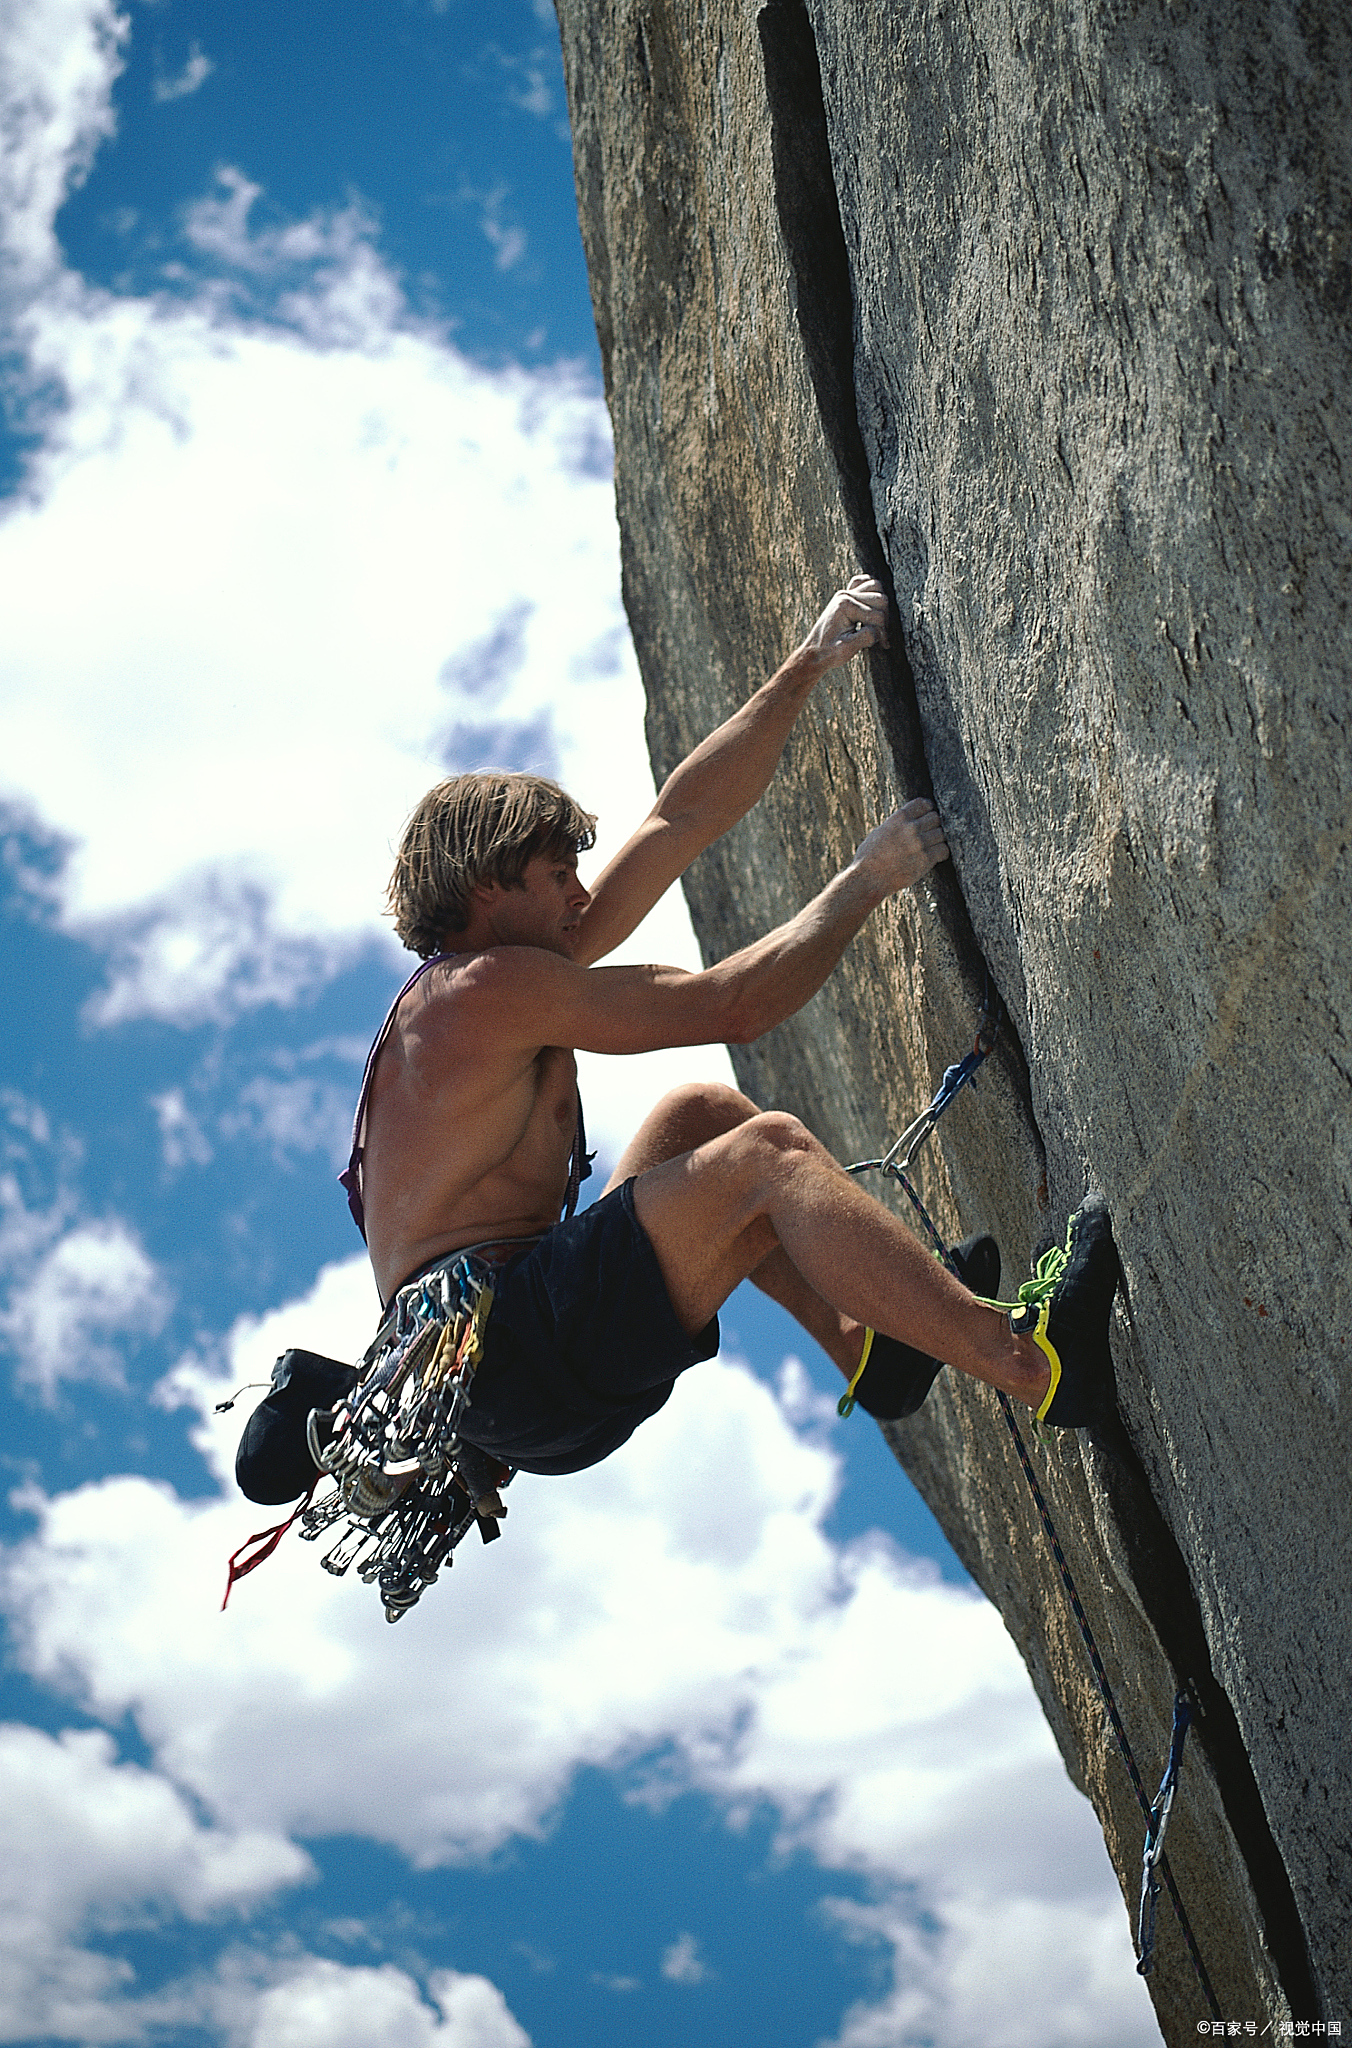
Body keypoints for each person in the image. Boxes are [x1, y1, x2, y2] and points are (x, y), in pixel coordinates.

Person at [339, 576, 1119, 1486]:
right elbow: (730, 1007)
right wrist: (867, 878)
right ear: (487, 889)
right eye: (559, 876)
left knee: (700, 1115)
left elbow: (678, 820)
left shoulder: (489, 986)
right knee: (769, 1158)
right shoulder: (478, 994)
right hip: (511, 1344)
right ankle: (1033, 1364)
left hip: (512, 1379)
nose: (582, 898)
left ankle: (873, 1348)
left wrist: (808, 664)